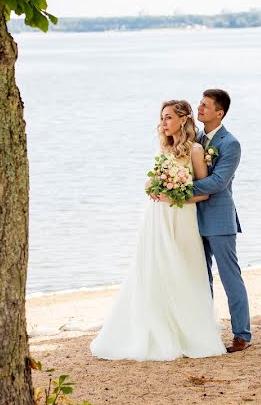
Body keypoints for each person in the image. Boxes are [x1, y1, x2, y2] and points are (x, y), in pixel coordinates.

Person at [90, 100, 226, 361]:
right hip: (156, 218)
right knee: (152, 270)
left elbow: (204, 194)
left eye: (168, 118)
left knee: (182, 271)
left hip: (182, 218)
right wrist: (154, 186)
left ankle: (187, 332)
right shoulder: (165, 148)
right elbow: (155, 180)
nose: (163, 123)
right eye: (162, 118)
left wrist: (174, 197)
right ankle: (151, 328)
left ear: (183, 119)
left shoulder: (195, 150)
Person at [194, 89, 251, 353]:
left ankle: (242, 334)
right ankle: (205, 331)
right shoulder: (195, 138)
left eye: (205, 106)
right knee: (199, 278)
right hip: (192, 218)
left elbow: (218, 182)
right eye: (200, 104)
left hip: (219, 218)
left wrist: (180, 188)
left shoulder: (230, 143)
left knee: (230, 278)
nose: (200, 108)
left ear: (220, 112)